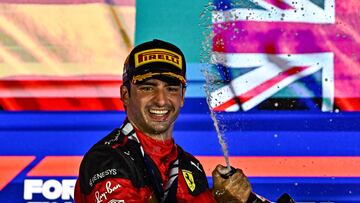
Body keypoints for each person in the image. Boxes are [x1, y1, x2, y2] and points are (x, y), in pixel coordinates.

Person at [74, 39, 267, 203]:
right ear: (125, 95)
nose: (161, 100)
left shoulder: (189, 165)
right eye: (148, 88)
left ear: (182, 96)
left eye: (172, 89)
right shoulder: (108, 159)